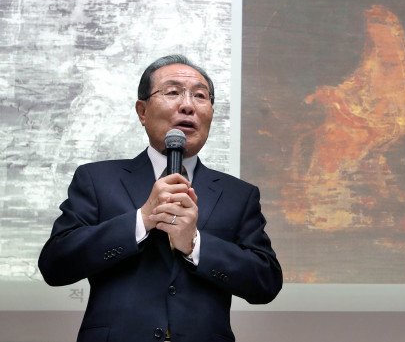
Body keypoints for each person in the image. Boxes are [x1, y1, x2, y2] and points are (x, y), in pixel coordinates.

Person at [38, 55, 282, 342]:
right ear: (142, 111)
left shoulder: (238, 194)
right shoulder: (97, 179)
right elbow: (55, 265)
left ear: (211, 113)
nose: (188, 105)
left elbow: (266, 282)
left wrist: (195, 244)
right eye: (173, 92)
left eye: (200, 96)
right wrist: (142, 220)